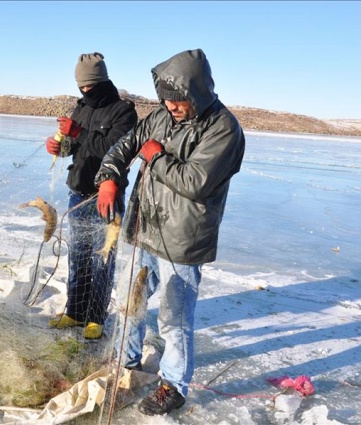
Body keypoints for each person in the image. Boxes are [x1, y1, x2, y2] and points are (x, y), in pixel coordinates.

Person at [95, 49, 245, 415]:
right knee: (131, 300)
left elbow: (195, 182)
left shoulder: (224, 129)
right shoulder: (160, 115)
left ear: (198, 94)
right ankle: (125, 359)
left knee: (174, 317)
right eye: (166, 99)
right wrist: (109, 177)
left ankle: (173, 384)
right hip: (144, 223)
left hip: (182, 237)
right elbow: (126, 145)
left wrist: (155, 156)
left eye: (178, 101)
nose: (171, 106)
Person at [46, 52, 138, 339]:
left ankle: (95, 317)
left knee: (102, 257)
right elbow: (75, 147)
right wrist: (59, 147)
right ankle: (75, 311)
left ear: (102, 80)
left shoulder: (122, 111)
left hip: (105, 196)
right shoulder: (80, 108)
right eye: (81, 85)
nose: (85, 90)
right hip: (78, 192)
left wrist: (80, 132)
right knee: (79, 255)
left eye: (90, 85)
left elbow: (116, 149)